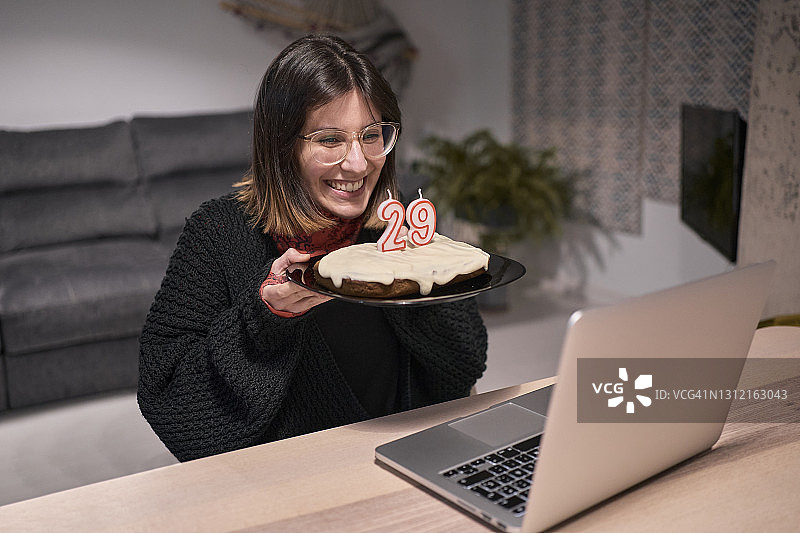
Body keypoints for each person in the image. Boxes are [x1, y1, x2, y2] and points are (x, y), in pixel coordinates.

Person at [138, 34, 488, 462]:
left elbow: (465, 365)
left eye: (372, 135)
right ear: (283, 146)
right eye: (329, 140)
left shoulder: (399, 230)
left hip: (407, 465)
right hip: (291, 485)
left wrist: (418, 287)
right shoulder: (217, 234)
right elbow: (170, 404)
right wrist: (267, 319)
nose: (358, 163)